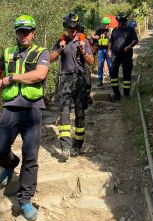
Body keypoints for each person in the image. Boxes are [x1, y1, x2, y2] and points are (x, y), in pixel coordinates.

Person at [0, 15, 50, 221]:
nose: (23, 35)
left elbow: (40, 74)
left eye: (27, 31)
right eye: (20, 31)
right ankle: (10, 163)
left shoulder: (41, 52)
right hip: (10, 107)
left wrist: (12, 78)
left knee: (30, 154)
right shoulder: (8, 52)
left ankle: (25, 199)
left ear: (33, 32)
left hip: (32, 109)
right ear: (16, 33)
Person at [50, 13, 94, 161]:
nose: (72, 30)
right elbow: (50, 58)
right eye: (70, 27)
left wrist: (82, 50)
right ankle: (65, 147)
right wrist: (60, 49)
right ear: (66, 27)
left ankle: (78, 144)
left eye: (74, 27)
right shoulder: (61, 41)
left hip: (80, 79)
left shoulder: (84, 41)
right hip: (65, 79)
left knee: (80, 113)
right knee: (64, 112)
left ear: (78, 26)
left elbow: (91, 61)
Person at [108, 12, 138, 99]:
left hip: (126, 55)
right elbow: (110, 41)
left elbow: (135, 40)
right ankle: (116, 95)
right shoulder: (114, 30)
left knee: (127, 74)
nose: (119, 24)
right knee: (113, 74)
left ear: (124, 22)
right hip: (115, 55)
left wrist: (129, 46)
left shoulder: (130, 29)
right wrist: (109, 50)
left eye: (121, 22)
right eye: (118, 22)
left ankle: (126, 95)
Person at [91, 17, 112, 87]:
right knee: (100, 65)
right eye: (104, 24)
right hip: (100, 50)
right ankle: (100, 81)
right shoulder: (99, 30)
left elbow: (111, 41)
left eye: (106, 24)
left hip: (107, 50)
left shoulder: (110, 31)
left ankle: (112, 80)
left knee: (110, 65)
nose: (105, 25)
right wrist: (94, 37)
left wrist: (110, 51)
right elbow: (94, 36)